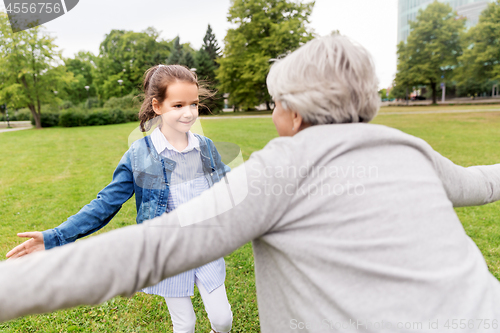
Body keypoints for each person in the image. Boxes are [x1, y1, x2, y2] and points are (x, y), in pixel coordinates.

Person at [2, 35, 500, 332]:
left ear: (293, 112)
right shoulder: (407, 147)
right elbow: (481, 183)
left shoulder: (277, 169)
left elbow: (146, 251)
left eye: (277, 102)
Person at [5, 64, 233, 333]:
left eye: (193, 104)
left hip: (206, 246)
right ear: (157, 106)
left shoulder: (204, 147)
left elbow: (231, 185)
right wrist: (57, 236)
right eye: (178, 105)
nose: (189, 113)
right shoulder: (140, 155)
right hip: (165, 251)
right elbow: (106, 203)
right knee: (185, 324)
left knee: (222, 319)